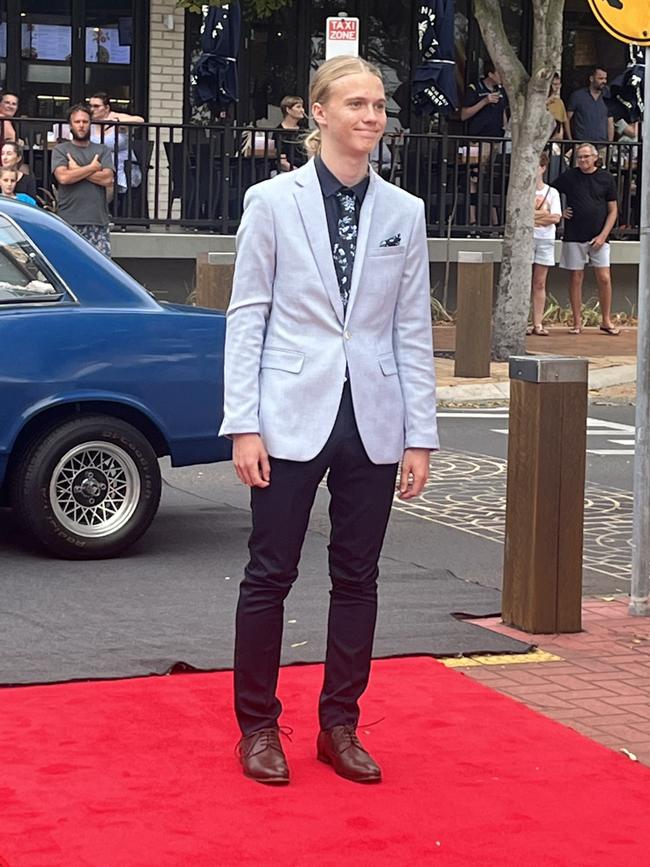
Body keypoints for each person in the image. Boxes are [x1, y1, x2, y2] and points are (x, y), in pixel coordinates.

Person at [220, 55, 439, 786]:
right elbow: (247, 315)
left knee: (358, 575)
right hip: (286, 414)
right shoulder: (271, 201)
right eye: (356, 103)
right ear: (320, 112)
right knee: (269, 572)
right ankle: (258, 727)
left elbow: (412, 328)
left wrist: (420, 434)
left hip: (373, 417)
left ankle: (339, 725)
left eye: (379, 104)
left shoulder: (404, 213)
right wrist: (242, 422)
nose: (371, 116)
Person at [551, 142, 619, 335]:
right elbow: (551, 191)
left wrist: (603, 235)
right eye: (580, 157)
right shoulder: (570, 177)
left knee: (604, 278)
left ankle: (606, 320)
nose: (583, 160)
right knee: (575, 277)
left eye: (586, 156)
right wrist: (558, 213)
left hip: (599, 236)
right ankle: (576, 322)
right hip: (574, 234)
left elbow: (613, 210)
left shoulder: (606, 178)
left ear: (595, 158)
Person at [52, 104, 115, 258]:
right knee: (68, 266)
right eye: (77, 122)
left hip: (97, 221)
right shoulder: (61, 149)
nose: (81, 126)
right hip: (68, 220)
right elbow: (64, 177)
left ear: (90, 124)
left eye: (85, 122)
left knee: (100, 269)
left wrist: (76, 169)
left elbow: (107, 179)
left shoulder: (102, 150)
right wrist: (93, 168)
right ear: (70, 125)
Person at [460, 61, 508, 226]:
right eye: (499, 72)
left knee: (491, 180)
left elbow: (503, 113)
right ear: (490, 74)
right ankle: (472, 220)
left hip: (496, 142)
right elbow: (464, 115)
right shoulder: (475, 89)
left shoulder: (502, 91)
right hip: (476, 142)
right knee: (474, 178)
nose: (503, 76)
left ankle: (494, 221)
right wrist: (485, 102)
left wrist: (505, 130)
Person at [527, 152, 561, 336]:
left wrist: (536, 218)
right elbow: (523, 216)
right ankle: (523, 321)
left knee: (539, 282)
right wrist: (542, 216)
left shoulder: (552, 192)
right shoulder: (525, 190)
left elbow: (555, 217)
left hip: (545, 239)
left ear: (542, 168)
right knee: (524, 281)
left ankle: (538, 323)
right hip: (528, 238)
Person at [87, 93, 145, 195]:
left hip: (120, 167)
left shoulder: (116, 118)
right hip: (95, 165)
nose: (92, 109)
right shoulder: (89, 122)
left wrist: (116, 121)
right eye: (90, 106)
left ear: (106, 108)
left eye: (96, 106)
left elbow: (140, 120)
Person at [567, 67, 614, 143]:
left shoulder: (608, 97)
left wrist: (610, 143)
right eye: (600, 78)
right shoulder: (577, 96)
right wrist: (570, 140)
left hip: (602, 145)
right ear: (591, 78)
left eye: (605, 78)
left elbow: (610, 121)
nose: (604, 81)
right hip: (581, 144)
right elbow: (567, 119)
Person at [273, 95, 308, 171]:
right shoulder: (279, 132)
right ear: (288, 110)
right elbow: (282, 161)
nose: (302, 110)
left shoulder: (304, 131)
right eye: (298, 107)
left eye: (302, 107)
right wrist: (296, 171)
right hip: (287, 172)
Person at [547, 74, 571, 141]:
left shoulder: (559, 102)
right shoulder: (538, 101)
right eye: (554, 84)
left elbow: (564, 121)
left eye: (558, 84)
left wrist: (570, 139)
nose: (557, 87)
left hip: (555, 137)